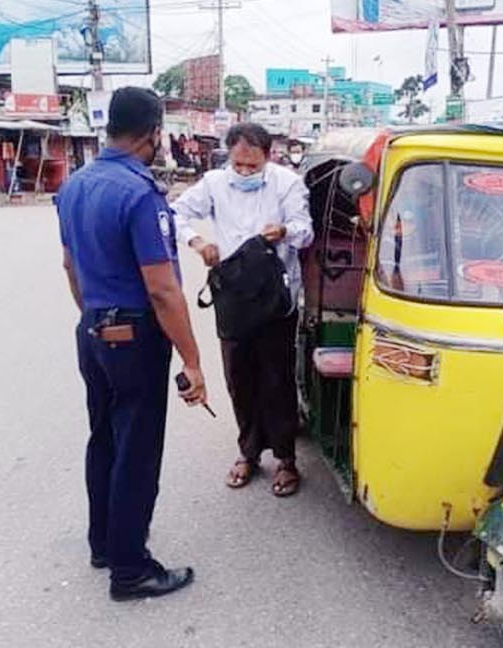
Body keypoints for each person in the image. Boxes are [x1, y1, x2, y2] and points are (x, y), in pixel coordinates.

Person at [55, 86, 209, 602]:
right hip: (134, 337)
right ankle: (131, 569)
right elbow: (163, 290)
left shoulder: (76, 184)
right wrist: (192, 359)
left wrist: (95, 321)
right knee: (137, 452)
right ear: (154, 134)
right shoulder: (140, 193)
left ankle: (104, 543)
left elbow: (70, 266)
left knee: (105, 438)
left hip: (93, 330)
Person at [170, 122, 312, 499]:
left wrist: (283, 231)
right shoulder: (214, 184)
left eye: (253, 166)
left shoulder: (286, 183)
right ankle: (248, 452)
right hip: (232, 295)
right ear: (229, 158)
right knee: (239, 378)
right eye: (239, 165)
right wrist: (198, 241)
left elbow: (305, 230)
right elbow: (173, 215)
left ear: (269, 156)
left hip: (275, 298)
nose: (246, 172)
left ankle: (285, 458)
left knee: (277, 379)